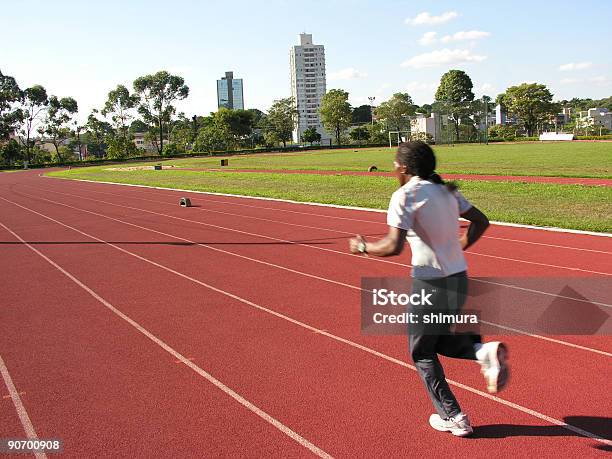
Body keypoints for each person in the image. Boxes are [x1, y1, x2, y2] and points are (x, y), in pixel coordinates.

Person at [349, 141, 508, 437]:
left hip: (430, 282)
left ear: (405, 168)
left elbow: (392, 246)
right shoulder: (448, 191)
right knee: (436, 341)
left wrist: (362, 247)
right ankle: (481, 350)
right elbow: (481, 221)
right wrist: (460, 247)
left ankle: (453, 417)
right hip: (458, 277)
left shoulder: (404, 195)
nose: (393, 169)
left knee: (421, 351)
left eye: (395, 164)